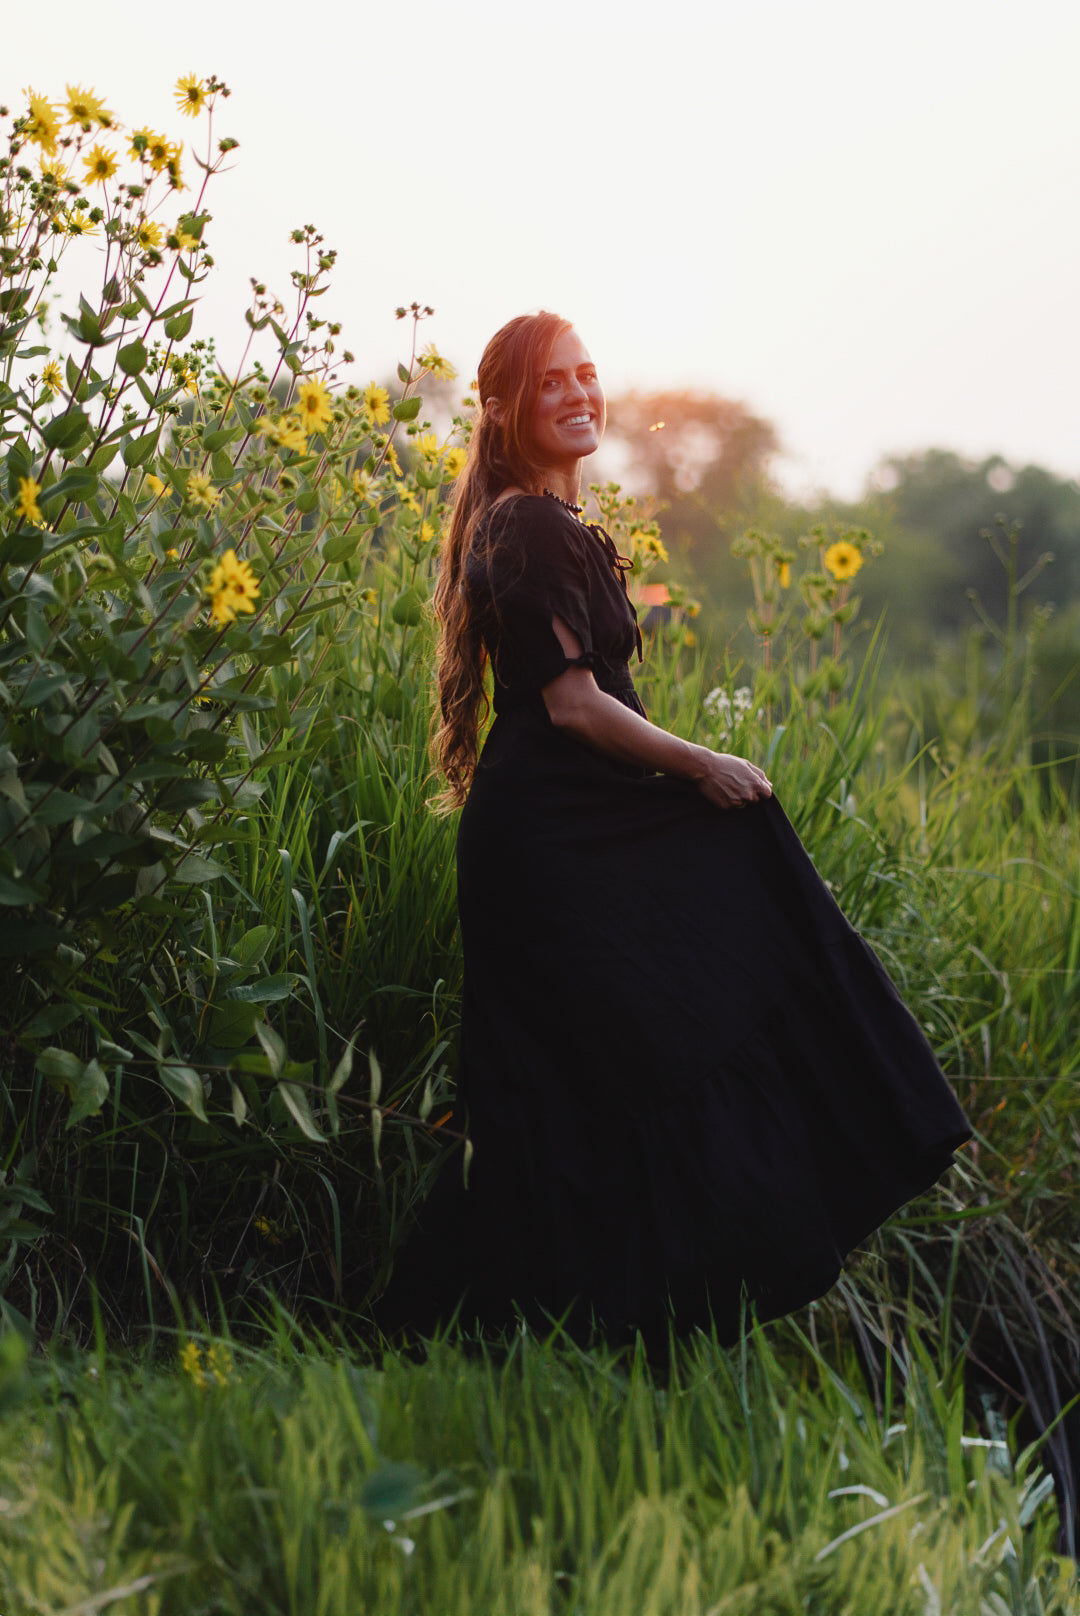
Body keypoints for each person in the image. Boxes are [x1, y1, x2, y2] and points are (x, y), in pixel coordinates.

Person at [375, 310, 971, 1353]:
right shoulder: (525, 525)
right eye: (551, 380)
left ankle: (563, 1334)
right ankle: (455, 1332)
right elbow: (571, 705)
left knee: (580, 1076)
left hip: (566, 827)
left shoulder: (550, 524)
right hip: (553, 842)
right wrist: (704, 762)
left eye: (588, 373)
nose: (578, 392)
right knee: (594, 1061)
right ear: (505, 409)